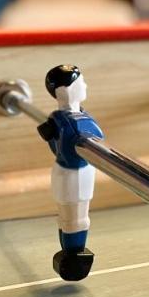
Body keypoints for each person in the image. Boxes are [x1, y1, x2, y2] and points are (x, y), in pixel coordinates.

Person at [37, 65, 104, 281]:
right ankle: (73, 257)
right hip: (72, 174)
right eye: (80, 83)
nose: (85, 86)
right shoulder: (71, 122)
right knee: (76, 220)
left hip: (77, 171)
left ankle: (72, 253)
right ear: (65, 91)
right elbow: (98, 135)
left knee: (75, 219)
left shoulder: (63, 117)